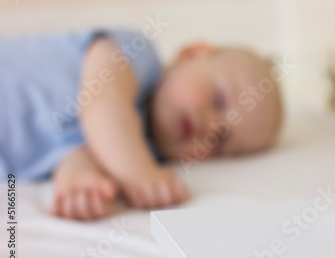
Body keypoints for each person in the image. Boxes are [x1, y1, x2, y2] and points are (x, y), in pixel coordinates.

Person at [0, 29, 283, 220]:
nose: (211, 125)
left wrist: (81, 181)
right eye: (219, 99)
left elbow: (78, 147)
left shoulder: (139, 149)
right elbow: (102, 105)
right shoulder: (136, 53)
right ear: (192, 53)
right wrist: (139, 173)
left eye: (221, 137)